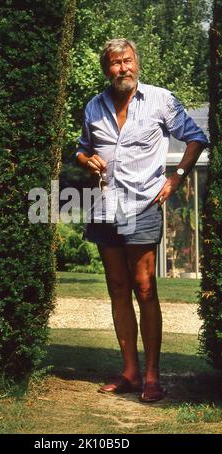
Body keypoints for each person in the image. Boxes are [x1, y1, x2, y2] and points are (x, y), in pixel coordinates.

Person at [75, 38, 209, 403]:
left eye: (129, 60)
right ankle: (130, 372)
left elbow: (196, 137)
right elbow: (81, 148)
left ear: (137, 63)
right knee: (117, 288)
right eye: (116, 63)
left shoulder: (160, 100)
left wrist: (177, 176)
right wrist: (86, 160)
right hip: (104, 207)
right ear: (107, 69)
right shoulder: (93, 106)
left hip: (142, 206)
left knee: (145, 286)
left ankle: (152, 376)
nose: (124, 68)